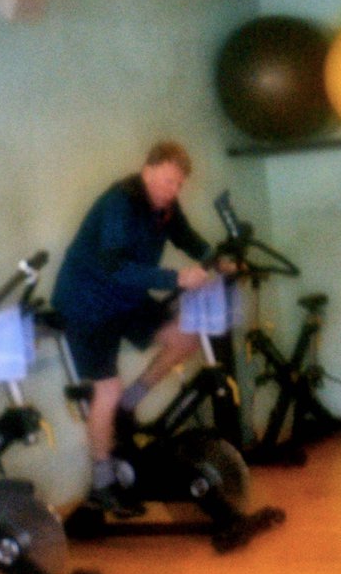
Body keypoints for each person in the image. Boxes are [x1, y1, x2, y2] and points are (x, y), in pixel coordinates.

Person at [53, 140, 218, 513]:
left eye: (179, 185)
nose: (173, 191)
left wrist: (216, 259)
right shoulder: (120, 202)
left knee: (186, 337)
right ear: (148, 171)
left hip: (126, 299)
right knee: (106, 391)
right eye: (168, 181)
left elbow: (186, 237)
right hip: (86, 305)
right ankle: (102, 481)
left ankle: (130, 403)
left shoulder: (165, 206)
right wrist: (176, 277)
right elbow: (113, 266)